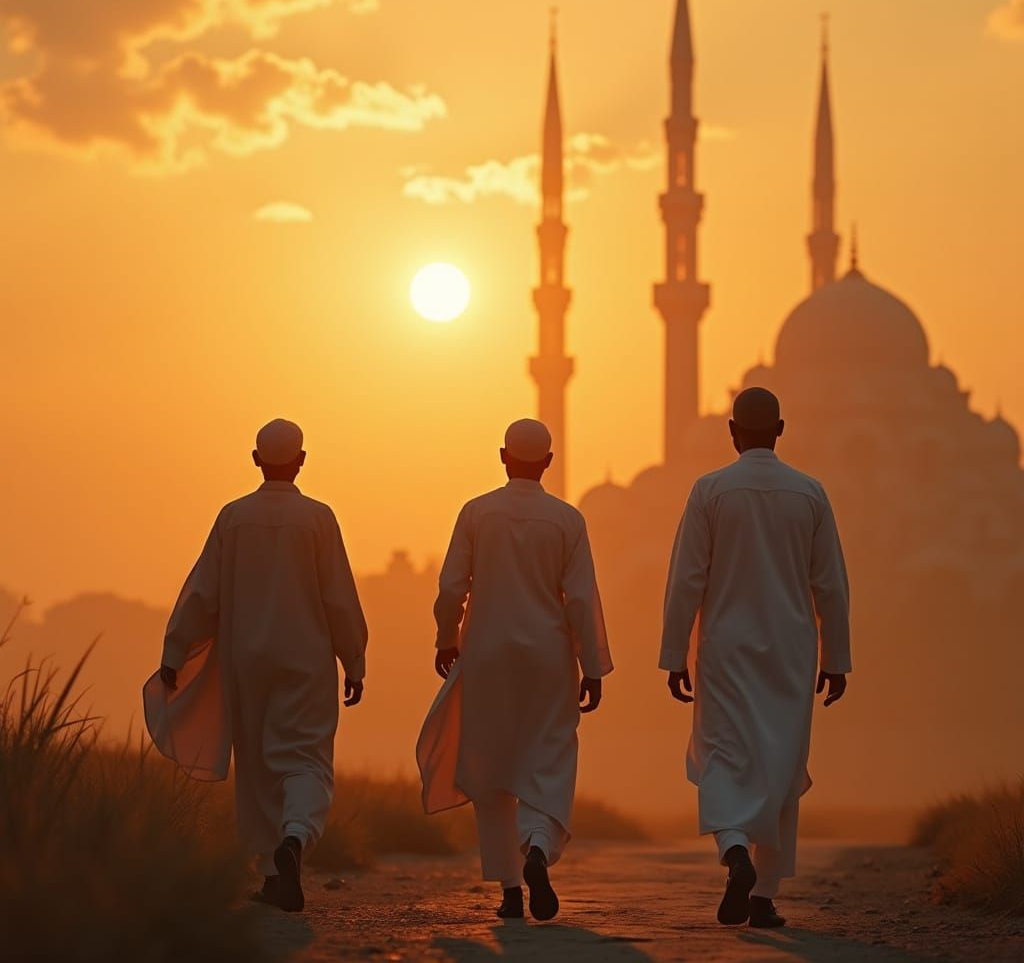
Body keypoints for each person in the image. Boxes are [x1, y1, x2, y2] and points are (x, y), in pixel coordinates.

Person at [143, 419, 368, 913]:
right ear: (302, 460)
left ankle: (272, 874)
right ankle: (295, 839)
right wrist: (353, 659)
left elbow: (203, 591)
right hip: (306, 660)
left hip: (246, 659)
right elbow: (338, 599)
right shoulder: (319, 519)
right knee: (306, 759)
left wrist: (175, 652)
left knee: (259, 767)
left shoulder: (233, 517)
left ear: (255, 458)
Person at [660, 387, 851, 928]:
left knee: (722, 754)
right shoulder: (809, 493)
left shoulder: (710, 491)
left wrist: (675, 654)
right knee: (780, 763)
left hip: (725, 648)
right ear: (781, 430)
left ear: (732, 431)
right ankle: (763, 897)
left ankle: (735, 850)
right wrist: (836, 656)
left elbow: (686, 581)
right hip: (791, 650)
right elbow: (830, 585)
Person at [416, 419, 612, 922]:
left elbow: (451, 588)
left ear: (503, 456)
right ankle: (539, 847)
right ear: (548, 461)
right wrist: (592, 665)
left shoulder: (477, 513)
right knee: (548, 756)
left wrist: (446, 639)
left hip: (487, 654)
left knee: (492, 765)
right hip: (548, 657)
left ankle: (509, 889)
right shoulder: (567, 520)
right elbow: (582, 600)